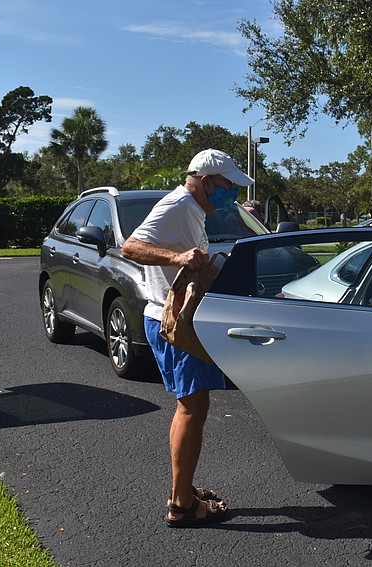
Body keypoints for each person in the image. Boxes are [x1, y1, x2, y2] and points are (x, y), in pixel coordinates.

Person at [122, 148, 252, 527]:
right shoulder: (179, 204)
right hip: (173, 322)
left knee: (194, 406)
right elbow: (131, 246)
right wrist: (177, 259)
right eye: (228, 185)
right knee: (192, 409)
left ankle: (184, 489)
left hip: (178, 319)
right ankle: (181, 504)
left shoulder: (193, 210)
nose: (233, 194)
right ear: (206, 181)